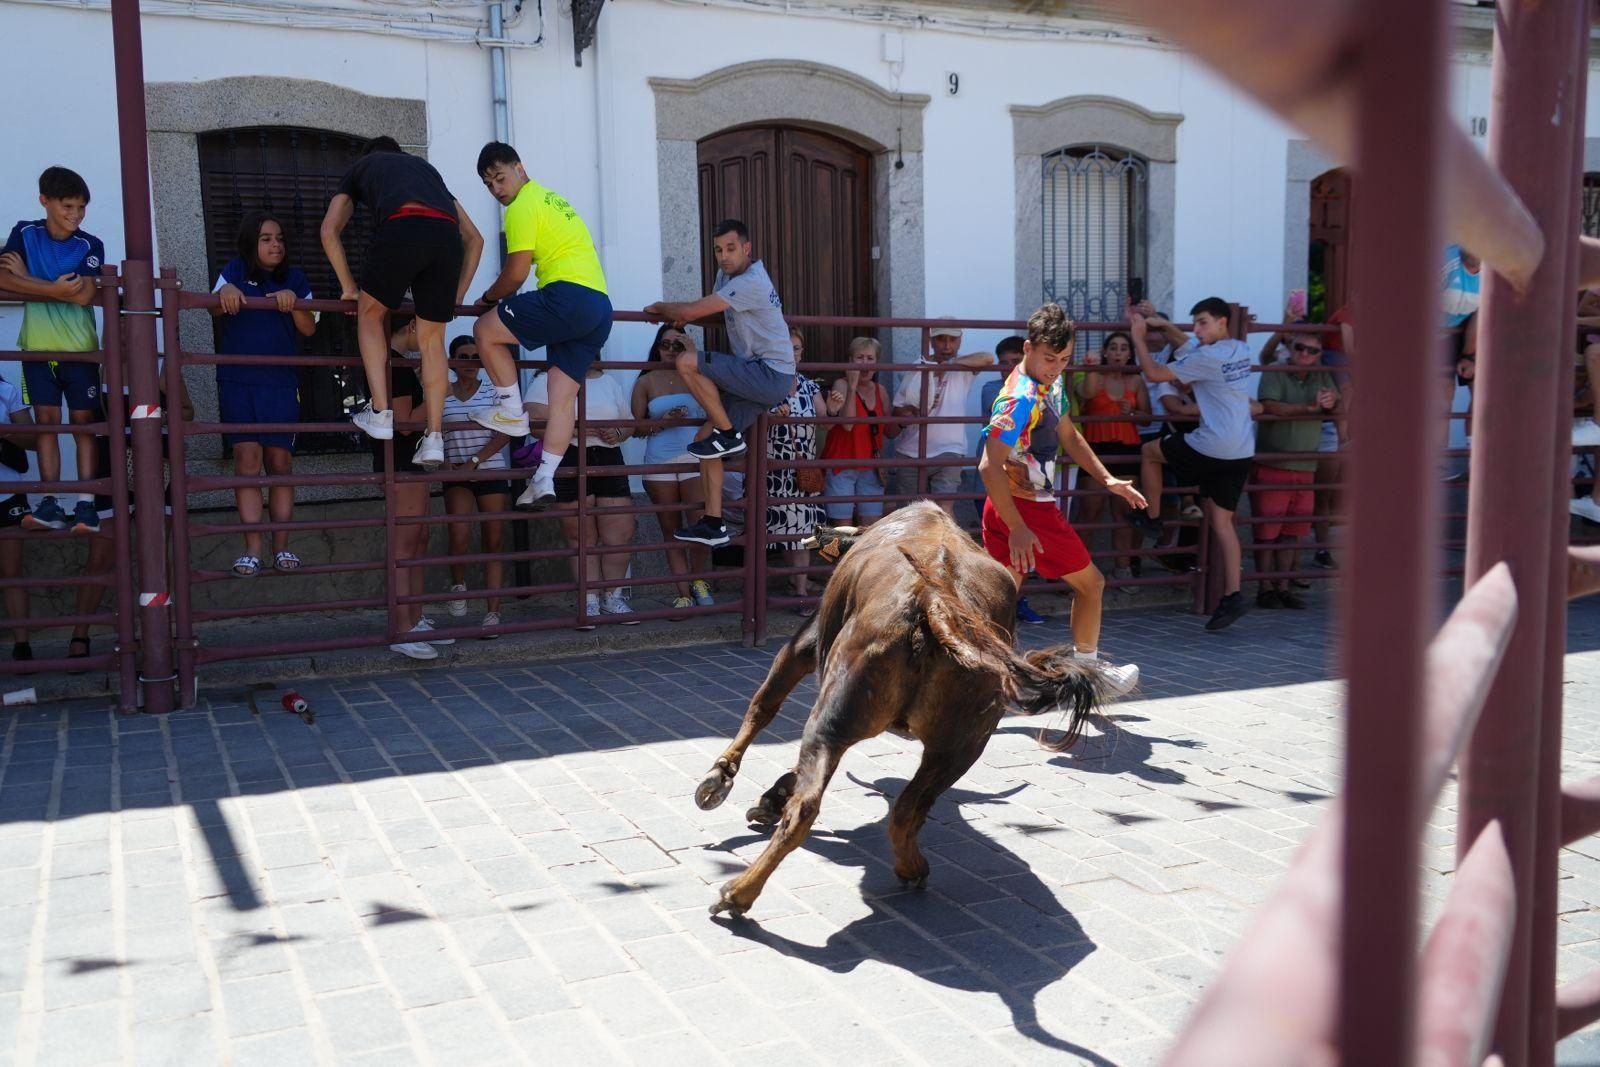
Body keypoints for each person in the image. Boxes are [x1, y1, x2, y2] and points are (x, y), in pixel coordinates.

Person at [978, 304, 1142, 693]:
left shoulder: (1048, 385)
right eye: (1050, 358)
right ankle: (1089, 676)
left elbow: (1069, 435)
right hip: (1027, 511)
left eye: (1064, 359)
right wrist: (1017, 527)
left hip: (1011, 508)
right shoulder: (1019, 398)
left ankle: (967, 682)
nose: (1056, 367)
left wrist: (1107, 479)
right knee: (1092, 585)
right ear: (1028, 347)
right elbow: (988, 465)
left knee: (997, 603)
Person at [320, 136, 484, 469]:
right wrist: (458, 295)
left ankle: (380, 413)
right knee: (432, 341)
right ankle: (434, 438)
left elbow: (329, 229)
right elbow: (475, 238)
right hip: (445, 239)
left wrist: (350, 287)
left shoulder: (362, 167)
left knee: (369, 315)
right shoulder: (426, 170)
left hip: (401, 228)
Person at [468, 142, 613, 511]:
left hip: (567, 296)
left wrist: (487, 299)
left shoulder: (521, 206)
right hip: (599, 307)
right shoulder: (552, 199)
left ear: (519, 168)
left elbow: (515, 275)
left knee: (485, 330)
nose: (497, 190)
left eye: (500, 178)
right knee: (560, 395)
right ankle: (544, 477)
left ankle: (512, 411)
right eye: (489, 185)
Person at [642, 219, 796, 547]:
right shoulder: (726, 276)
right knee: (704, 439)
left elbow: (697, 309)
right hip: (756, 375)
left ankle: (729, 434)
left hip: (769, 373)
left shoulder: (753, 279)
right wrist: (685, 315)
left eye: (730, 249)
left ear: (747, 248)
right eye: (718, 250)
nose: (724, 256)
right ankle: (714, 523)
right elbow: (710, 311)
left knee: (686, 361)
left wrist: (661, 309)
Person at [1127, 298, 1257, 632]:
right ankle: (1233, 594)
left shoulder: (1207, 357)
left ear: (1222, 322)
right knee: (1221, 521)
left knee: (1151, 452)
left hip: (1212, 444)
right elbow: (1190, 348)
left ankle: (1152, 517)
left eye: (1202, 322)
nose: (1196, 330)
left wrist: (1140, 336)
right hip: (1241, 449)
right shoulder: (1239, 348)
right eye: (1195, 323)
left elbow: (1156, 373)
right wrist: (1163, 324)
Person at [0, 166, 106, 534]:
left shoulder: (90, 243)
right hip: (37, 347)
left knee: (83, 425)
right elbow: (2, 277)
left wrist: (26, 281)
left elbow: (84, 294)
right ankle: (49, 503)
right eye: (67, 206)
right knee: (46, 424)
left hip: (81, 350)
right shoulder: (24, 232)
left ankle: (86, 505)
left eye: (81, 207)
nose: (75, 215)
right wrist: (54, 290)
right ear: (44, 201)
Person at [210, 211, 316, 578]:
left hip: (280, 383)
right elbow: (212, 306)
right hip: (237, 381)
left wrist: (294, 301)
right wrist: (224, 291)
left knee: (280, 463)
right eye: (267, 238)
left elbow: (310, 328)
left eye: (280, 238)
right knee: (246, 462)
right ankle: (252, 550)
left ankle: (282, 548)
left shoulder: (297, 278)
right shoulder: (234, 270)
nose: (276, 245)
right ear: (252, 242)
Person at [523, 361, 637, 626]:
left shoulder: (607, 381)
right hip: (568, 456)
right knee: (581, 535)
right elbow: (536, 424)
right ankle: (590, 601)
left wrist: (618, 432)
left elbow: (629, 422)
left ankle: (614, 597)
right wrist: (577, 429)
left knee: (619, 532)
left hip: (608, 455)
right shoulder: (544, 380)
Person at [376, 317, 453, 661]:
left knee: (418, 541)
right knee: (404, 547)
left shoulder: (401, 365)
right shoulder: (395, 366)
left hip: (416, 462)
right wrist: (439, 396)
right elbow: (405, 424)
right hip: (402, 462)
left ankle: (415, 619)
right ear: (411, 327)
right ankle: (400, 629)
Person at [631, 324, 715, 614]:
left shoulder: (696, 375)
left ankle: (697, 579)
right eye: (665, 344)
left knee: (700, 524)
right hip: (659, 462)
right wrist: (662, 421)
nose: (669, 350)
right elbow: (636, 428)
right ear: (657, 346)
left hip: (693, 458)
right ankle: (683, 593)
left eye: (677, 345)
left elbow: (715, 410)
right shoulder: (646, 381)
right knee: (670, 529)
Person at [1252, 331, 1338, 609]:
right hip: (1273, 463)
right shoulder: (1275, 371)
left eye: (1312, 351)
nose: (1304, 354)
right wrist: (1310, 406)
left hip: (1305, 465)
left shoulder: (1321, 376)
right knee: (1267, 531)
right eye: (1300, 347)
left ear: (1319, 355)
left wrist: (1332, 403)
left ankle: (1282, 586)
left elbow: (1336, 408)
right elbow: (1271, 406)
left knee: (1293, 530)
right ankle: (1266, 588)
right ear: (1290, 348)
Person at [441, 337, 512, 636]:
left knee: (493, 541)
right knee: (458, 534)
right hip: (454, 471)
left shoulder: (494, 390)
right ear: (452, 360)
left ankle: (492, 613)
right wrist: (445, 464)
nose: (470, 362)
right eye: (463, 356)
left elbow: (506, 431)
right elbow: (431, 428)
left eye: (475, 356)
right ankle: (459, 585)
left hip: (490, 470)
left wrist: (475, 461)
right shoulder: (440, 392)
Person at [891, 320, 995, 517]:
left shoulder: (963, 367)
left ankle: (947, 549)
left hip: (950, 449)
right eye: (941, 339)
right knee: (909, 514)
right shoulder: (917, 368)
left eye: (952, 339)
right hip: (912, 451)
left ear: (960, 341)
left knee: (943, 510)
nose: (947, 345)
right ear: (931, 341)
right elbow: (897, 414)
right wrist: (908, 414)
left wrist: (947, 365)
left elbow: (988, 358)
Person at [1074, 330, 1151, 582]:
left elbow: (1147, 418)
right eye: (1114, 348)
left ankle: (1123, 570)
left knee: (1123, 515)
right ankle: (1081, 572)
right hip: (1095, 450)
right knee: (1090, 513)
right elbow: (1086, 395)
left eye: (1123, 348)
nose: (1118, 353)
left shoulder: (1137, 381)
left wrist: (1132, 413)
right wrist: (1093, 367)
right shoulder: (1096, 375)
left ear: (1130, 354)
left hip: (1126, 449)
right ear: (1106, 352)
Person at [766, 333, 827, 615]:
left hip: (803, 471)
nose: (793, 353)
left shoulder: (809, 385)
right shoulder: (766, 384)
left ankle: (800, 592)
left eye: (797, 348)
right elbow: (752, 422)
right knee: (783, 531)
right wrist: (771, 417)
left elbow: (823, 420)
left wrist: (833, 409)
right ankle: (793, 584)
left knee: (802, 532)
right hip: (775, 470)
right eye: (787, 348)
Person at [819, 336, 896, 526]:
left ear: (877, 363)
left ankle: (867, 557)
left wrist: (906, 419)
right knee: (843, 527)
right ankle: (843, 557)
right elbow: (848, 424)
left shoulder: (881, 391)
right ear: (850, 361)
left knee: (871, 524)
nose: (864, 363)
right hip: (841, 464)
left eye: (870, 358)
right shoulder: (842, 385)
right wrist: (852, 388)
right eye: (859, 357)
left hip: (870, 466)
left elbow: (889, 432)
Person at [0, 374, 39, 659]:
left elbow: (33, 439)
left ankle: (22, 645)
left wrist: (4, 431)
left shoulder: (5, 389)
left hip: (7, 493)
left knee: (12, 571)